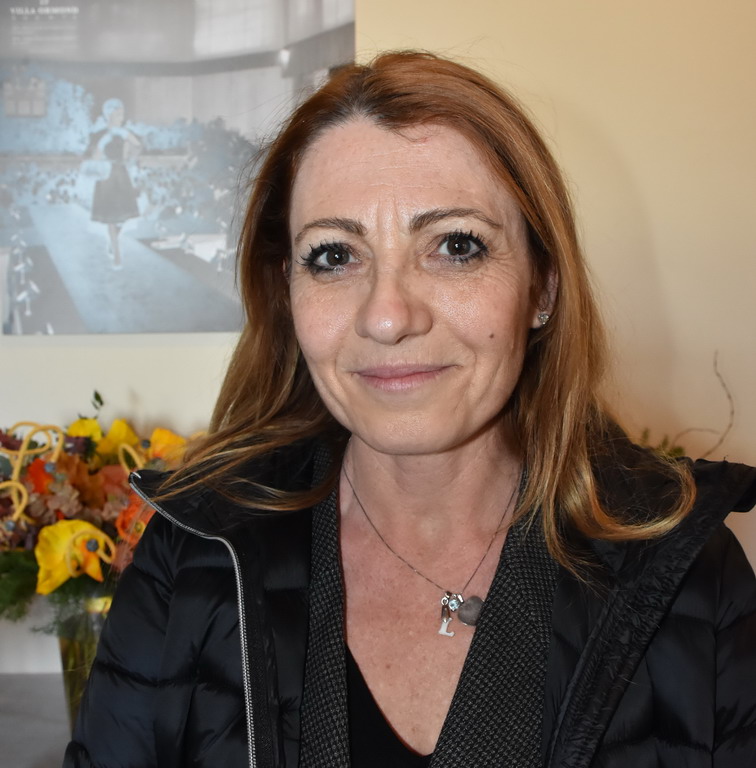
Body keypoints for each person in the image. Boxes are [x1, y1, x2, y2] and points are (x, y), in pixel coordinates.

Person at [64, 52, 756, 768]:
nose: (388, 316)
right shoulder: (193, 553)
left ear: (543, 288)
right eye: (334, 256)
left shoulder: (691, 574)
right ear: (287, 292)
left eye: (456, 246)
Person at [86, 98, 141, 270]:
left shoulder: (124, 132)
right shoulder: (99, 134)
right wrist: (102, 143)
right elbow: (94, 158)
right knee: (111, 218)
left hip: (121, 174)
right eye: (118, 114)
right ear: (108, 115)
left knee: (123, 216)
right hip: (106, 176)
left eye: (122, 114)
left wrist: (130, 151)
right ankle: (117, 256)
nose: (121, 118)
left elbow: (138, 146)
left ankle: (113, 241)